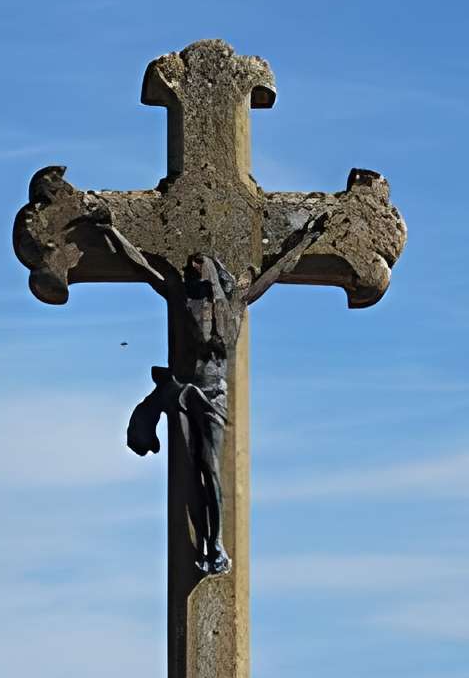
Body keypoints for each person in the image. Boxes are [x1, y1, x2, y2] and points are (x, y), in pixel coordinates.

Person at [87, 201, 326, 577]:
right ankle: (203, 543)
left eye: (196, 267)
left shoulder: (235, 304)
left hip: (215, 397)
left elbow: (278, 270)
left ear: (212, 271)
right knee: (188, 471)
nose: (190, 270)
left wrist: (307, 239)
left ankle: (215, 542)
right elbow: (142, 267)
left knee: (209, 470)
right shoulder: (183, 301)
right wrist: (110, 233)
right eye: (189, 268)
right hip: (185, 393)